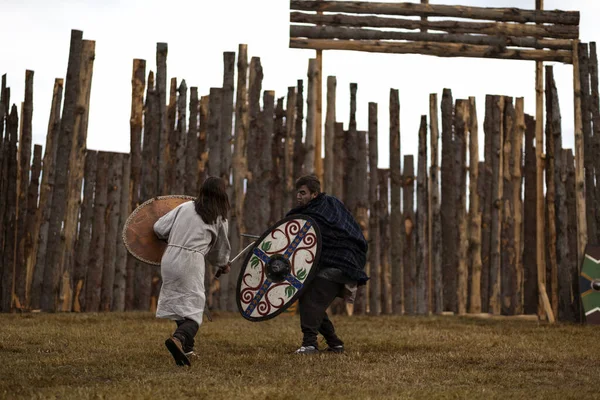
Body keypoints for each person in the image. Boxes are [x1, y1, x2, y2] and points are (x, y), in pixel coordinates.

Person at [153, 176, 232, 366]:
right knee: (194, 310)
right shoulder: (219, 217)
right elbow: (219, 250)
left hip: (170, 258)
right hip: (190, 261)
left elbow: (158, 228)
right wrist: (223, 264)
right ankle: (178, 339)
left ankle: (187, 350)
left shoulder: (185, 207)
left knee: (182, 305)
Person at [286, 175, 368, 354]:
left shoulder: (327, 207)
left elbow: (341, 233)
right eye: (297, 193)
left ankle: (309, 344)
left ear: (314, 194)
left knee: (311, 299)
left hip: (341, 262)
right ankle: (335, 343)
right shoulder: (305, 214)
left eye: (303, 193)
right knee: (310, 299)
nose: (298, 197)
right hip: (326, 264)